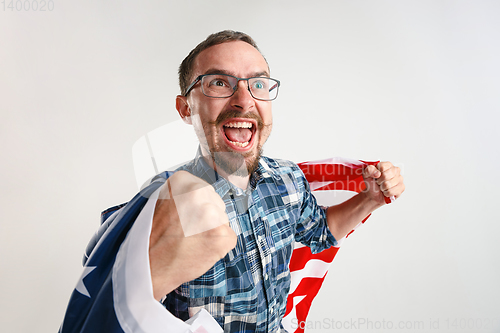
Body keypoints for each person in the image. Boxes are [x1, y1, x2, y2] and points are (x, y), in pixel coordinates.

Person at [101, 30, 404, 332]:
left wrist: (370, 199)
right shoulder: (162, 203)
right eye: (219, 83)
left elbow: (320, 233)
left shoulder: (288, 180)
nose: (244, 100)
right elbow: (116, 311)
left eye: (257, 84)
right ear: (185, 109)